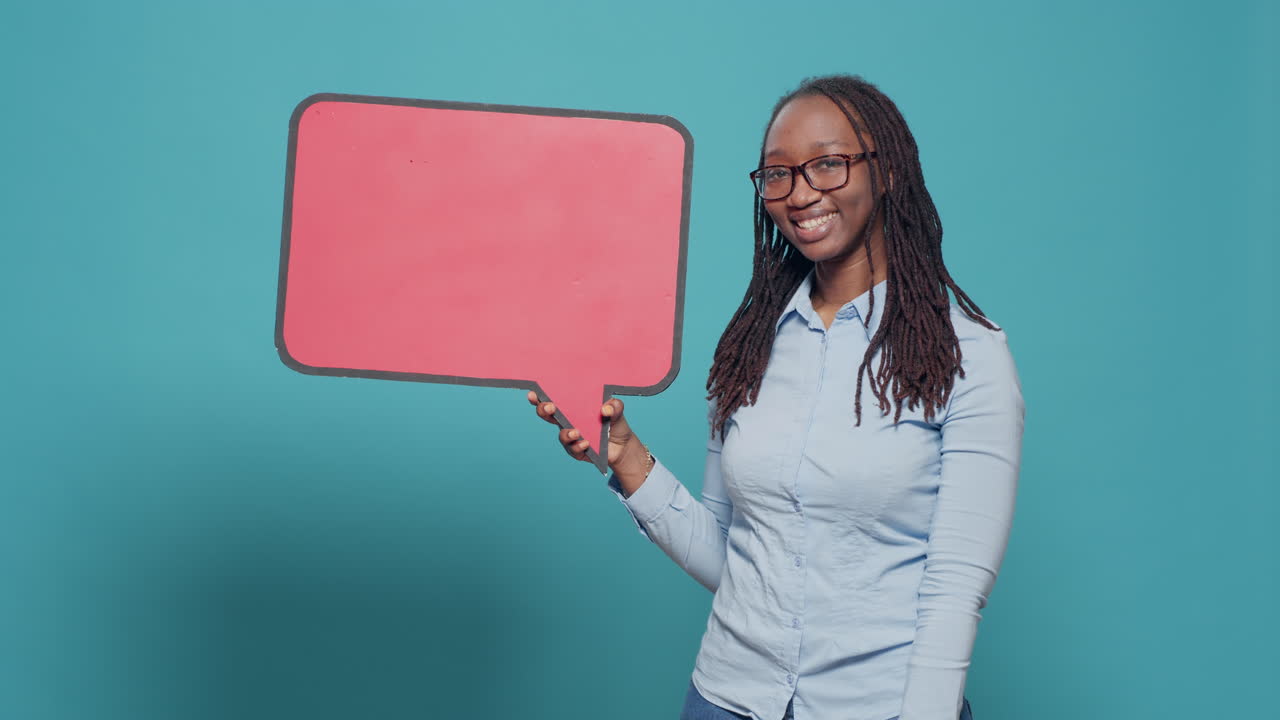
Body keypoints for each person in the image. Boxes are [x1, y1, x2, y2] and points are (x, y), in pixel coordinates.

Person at [527, 74, 1023, 720]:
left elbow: (956, 588)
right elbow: (734, 560)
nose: (800, 193)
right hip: (725, 699)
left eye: (828, 164)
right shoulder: (749, 347)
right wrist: (625, 461)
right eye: (777, 175)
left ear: (887, 170)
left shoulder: (968, 357)